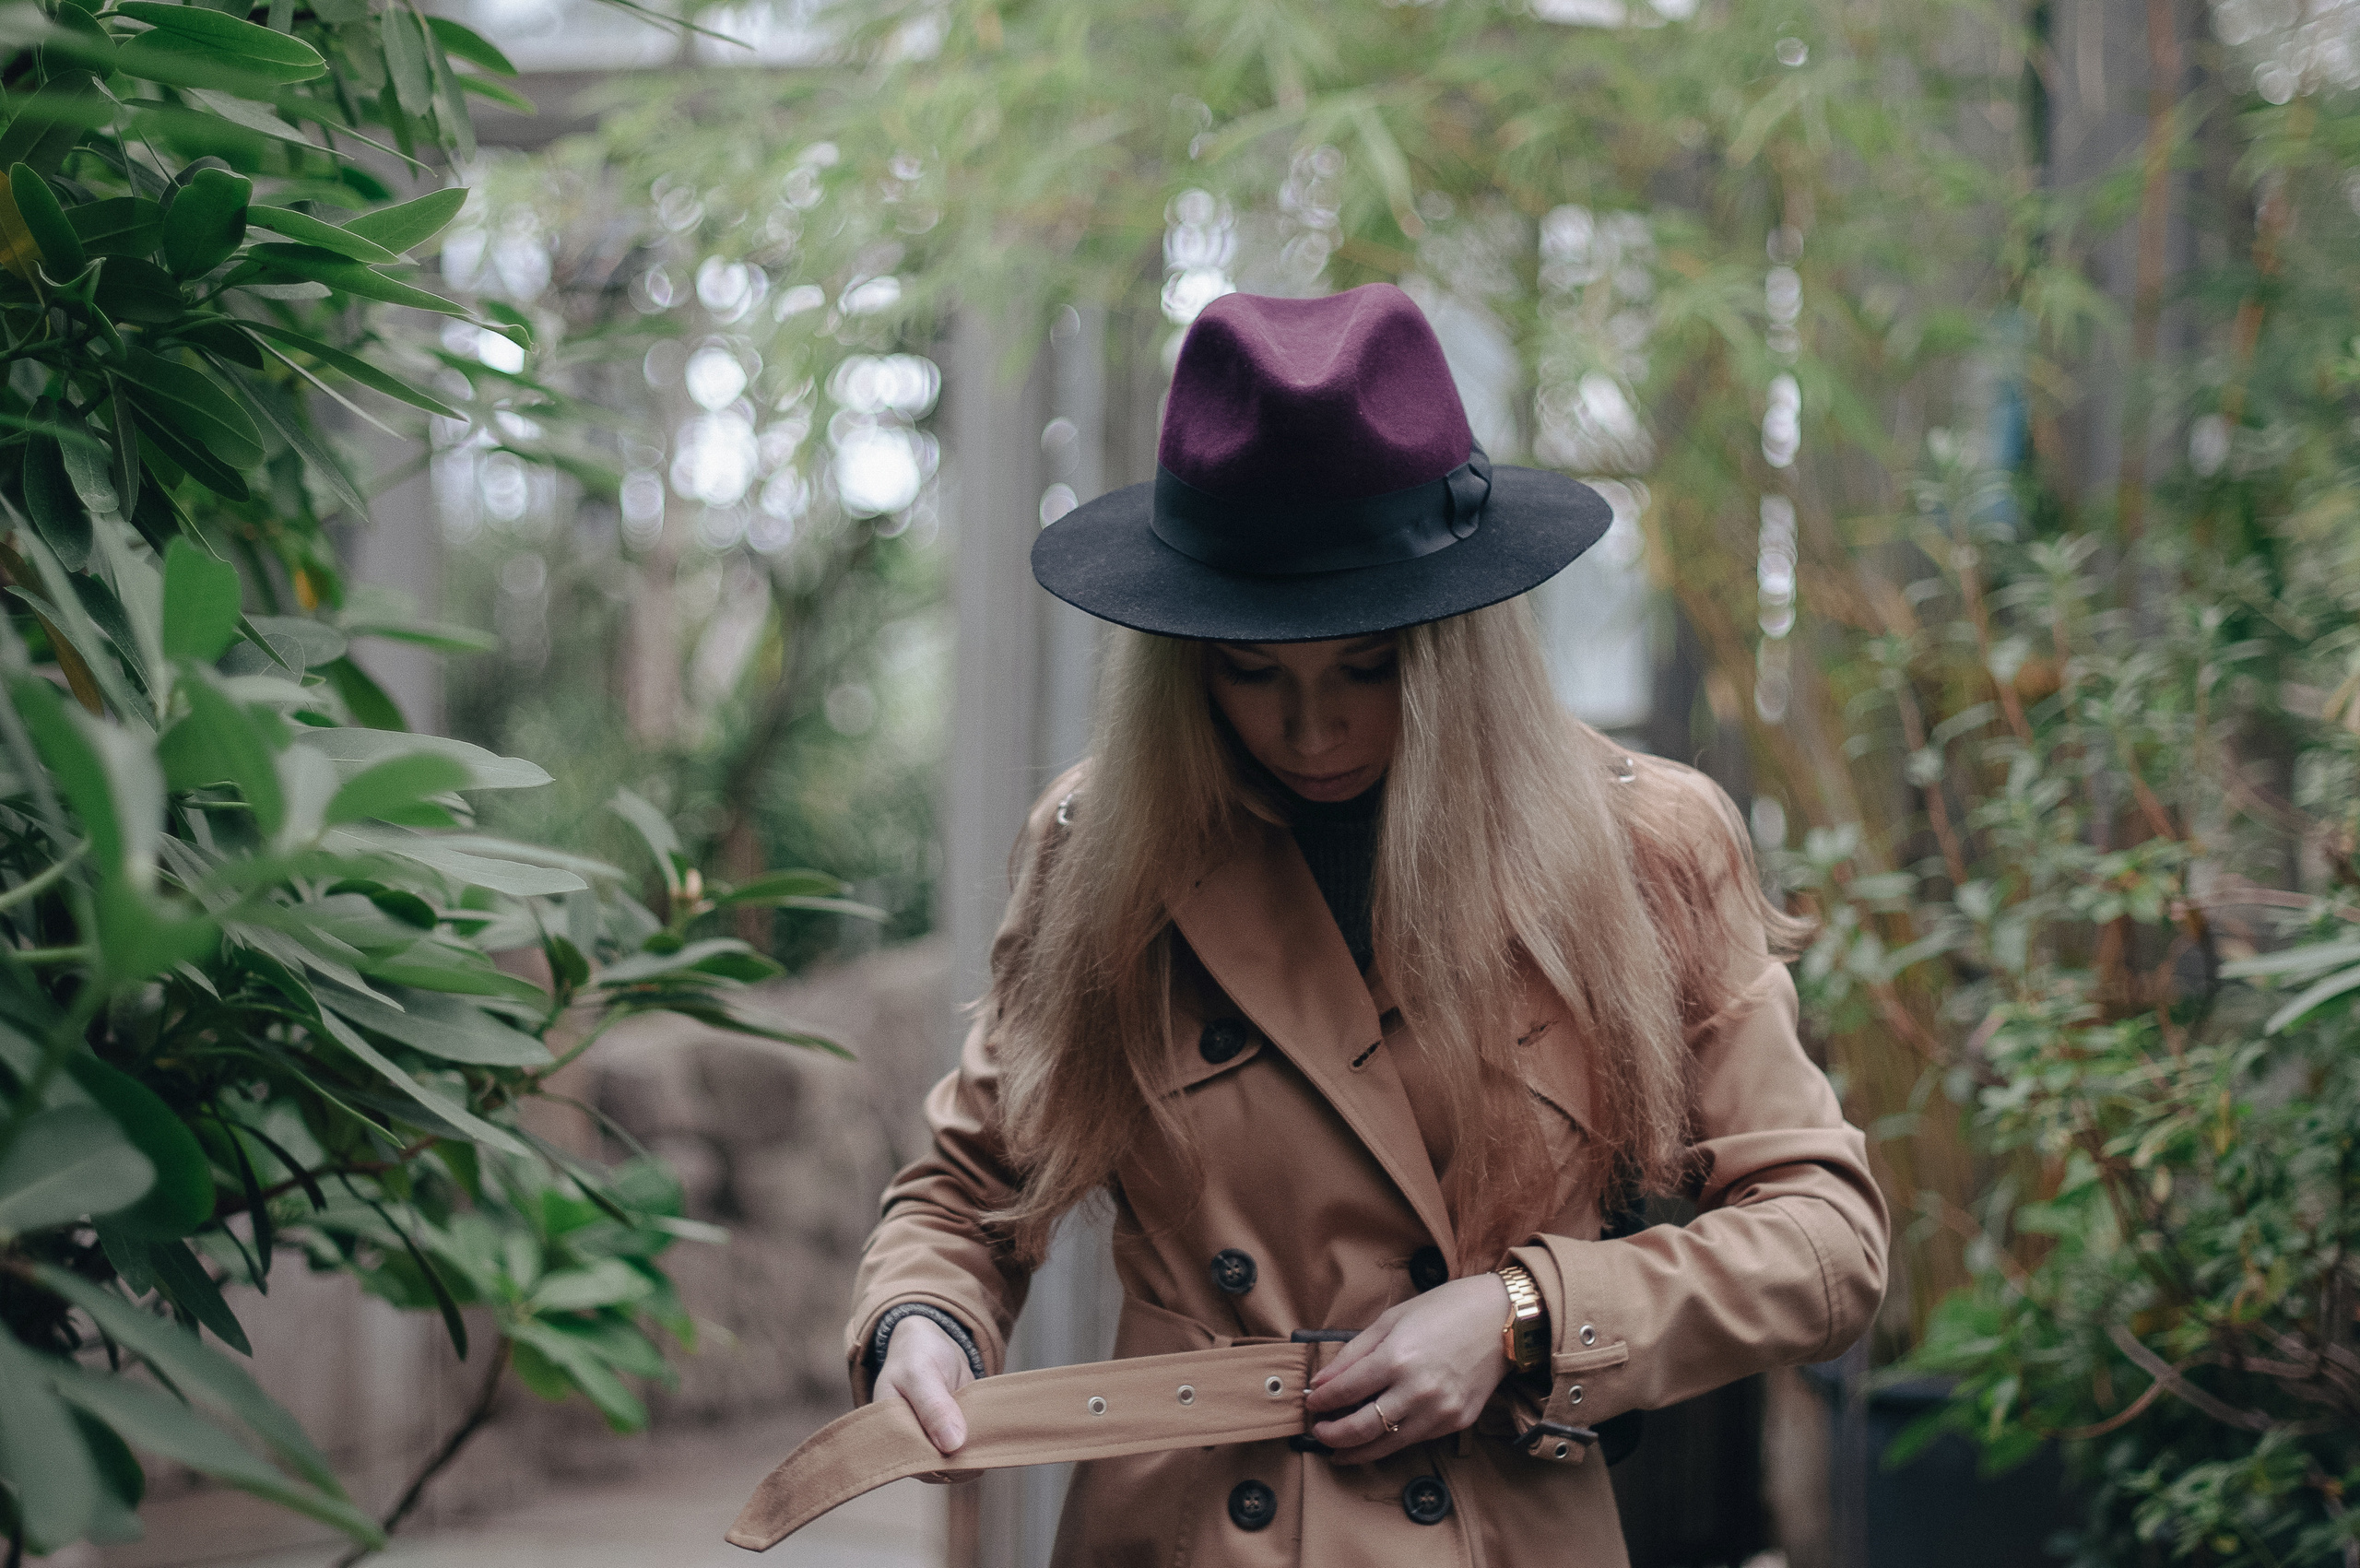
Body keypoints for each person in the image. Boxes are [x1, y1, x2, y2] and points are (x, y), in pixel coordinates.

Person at [846, 284, 1887, 1565]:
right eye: (1250, 671)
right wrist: (923, 1325)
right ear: (1185, 656)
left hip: (1496, 1523)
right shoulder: (1098, 847)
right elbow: (966, 1193)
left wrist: (1524, 1311)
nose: (1311, 729)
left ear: (1456, 642)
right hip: (1183, 1530)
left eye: (1367, 666)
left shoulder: (1644, 846)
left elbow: (1827, 1240)